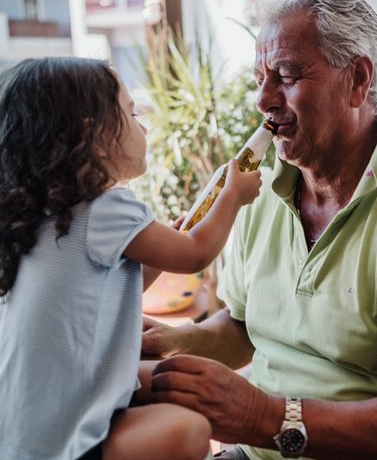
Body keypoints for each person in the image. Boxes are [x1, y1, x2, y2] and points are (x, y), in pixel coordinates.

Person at [143, 0, 377, 460]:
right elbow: (246, 328)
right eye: (260, 78)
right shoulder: (262, 194)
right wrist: (172, 341)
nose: (264, 100)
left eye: (287, 75)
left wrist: (259, 417)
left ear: (357, 80)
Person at [0, 57, 262, 460]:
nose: (143, 126)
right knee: (191, 428)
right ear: (94, 131)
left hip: (23, 423)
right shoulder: (104, 206)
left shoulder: (47, 213)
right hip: (63, 439)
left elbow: (105, 292)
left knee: (179, 380)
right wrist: (233, 196)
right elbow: (196, 254)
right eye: (132, 112)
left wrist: (163, 244)